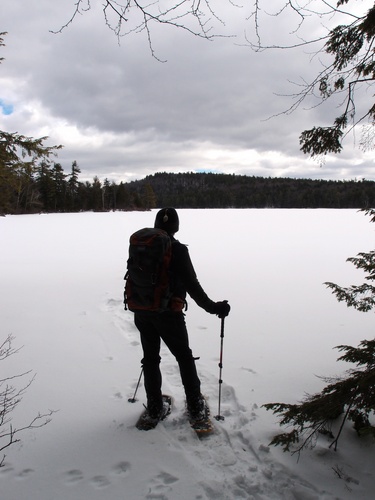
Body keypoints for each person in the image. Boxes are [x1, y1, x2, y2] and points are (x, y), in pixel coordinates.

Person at [133, 207, 230, 426]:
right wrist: (214, 308)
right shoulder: (177, 250)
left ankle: (155, 408)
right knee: (184, 357)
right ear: (176, 227)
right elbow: (192, 285)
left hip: (142, 311)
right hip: (168, 314)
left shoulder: (143, 246)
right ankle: (195, 407)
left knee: (150, 358)